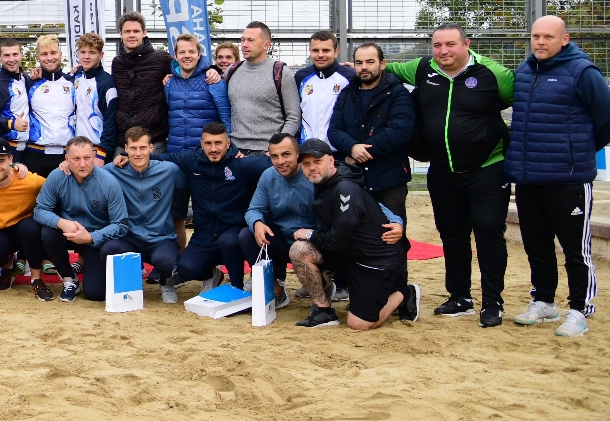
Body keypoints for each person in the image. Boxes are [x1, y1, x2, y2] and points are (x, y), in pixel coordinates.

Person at [385, 23, 514, 326]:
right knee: (452, 235)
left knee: (488, 233)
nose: (443, 51)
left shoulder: (496, 75)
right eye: (437, 45)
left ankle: (493, 302)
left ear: (466, 44)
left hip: (487, 169)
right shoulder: (422, 68)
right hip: (442, 171)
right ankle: (460, 297)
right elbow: (383, 65)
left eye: (450, 44)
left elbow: (526, 104)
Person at [505, 16, 610, 338]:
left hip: (568, 179)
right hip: (530, 178)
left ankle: (579, 309)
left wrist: (580, 150)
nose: (540, 42)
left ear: (565, 39)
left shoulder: (583, 72)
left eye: (548, 36)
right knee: (537, 245)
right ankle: (544, 301)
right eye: (535, 36)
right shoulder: (525, 71)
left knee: (575, 249)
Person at [288, 138, 419, 331]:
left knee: (359, 323)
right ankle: (323, 311)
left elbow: (338, 239)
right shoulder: (328, 182)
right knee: (299, 250)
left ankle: (405, 293)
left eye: (317, 161)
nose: (311, 167)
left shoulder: (344, 188)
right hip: (350, 254)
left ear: (331, 161)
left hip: (374, 262)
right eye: (306, 163)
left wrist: (310, 234)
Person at [157, 122, 269, 298]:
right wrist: (125, 156)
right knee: (186, 269)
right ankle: (213, 274)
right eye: (208, 143)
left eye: (218, 143)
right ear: (201, 144)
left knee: (229, 241)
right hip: (204, 234)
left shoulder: (242, 164)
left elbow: (277, 165)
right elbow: (161, 159)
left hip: (233, 232)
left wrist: (274, 156)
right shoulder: (191, 160)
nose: (213, 148)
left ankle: (237, 289)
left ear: (228, 143)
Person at [33, 136, 130, 303]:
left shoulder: (108, 182)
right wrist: (61, 223)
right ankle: (69, 279)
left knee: (96, 294)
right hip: (69, 233)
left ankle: (87, 265)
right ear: (67, 159)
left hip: (95, 239)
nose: (82, 164)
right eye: (76, 159)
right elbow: (39, 210)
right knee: (48, 232)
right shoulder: (57, 176)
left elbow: (121, 224)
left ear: (94, 156)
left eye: (87, 158)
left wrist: (92, 237)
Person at [328, 43, 415, 225]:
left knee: (391, 235)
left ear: (382, 64)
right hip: (353, 178)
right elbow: (334, 130)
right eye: (359, 63)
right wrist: (351, 147)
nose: (364, 67)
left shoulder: (398, 93)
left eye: (370, 62)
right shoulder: (346, 94)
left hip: (389, 178)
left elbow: (400, 131)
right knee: (354, 233)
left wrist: (362, 152)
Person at [102, 127, 186, 303]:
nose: (138, 153)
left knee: (166, 260)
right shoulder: (113, 170)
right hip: (129, 237)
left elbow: (189, 183)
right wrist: (65, 164)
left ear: (151, 148)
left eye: (142, 148)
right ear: (126, 148)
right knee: (109, 249)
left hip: (160, 237)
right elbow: (88, 172)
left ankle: (166, 282)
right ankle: (132, 278)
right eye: (133, 148)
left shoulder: (170, 171)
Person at [164, 31, 231, 241]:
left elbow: (226, 118)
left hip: (205, 158)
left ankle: (209, 263)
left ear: (199, 54)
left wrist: (230, 148)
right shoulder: (169, 83)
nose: (187, 56)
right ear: (175, 56)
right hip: (176, 157)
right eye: (182, 52)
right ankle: (179, 261)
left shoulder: (213, 81)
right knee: (176, 215)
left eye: (191, 51)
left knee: (206, 214)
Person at [239, 131, 312, 309]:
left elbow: (357, 198)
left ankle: (326, 284)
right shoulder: (268, 176)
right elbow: (254, 209)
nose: (280, 161)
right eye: (274, 156)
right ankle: (276, 290)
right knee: (246, 235)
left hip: (312, 241)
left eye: (286, 154)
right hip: (280, 239)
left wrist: (393, 220)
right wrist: (257, 223)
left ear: (298, 154)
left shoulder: (313, 175)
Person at [0, 136, 46, 291]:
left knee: (32, 228)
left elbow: (55, 186)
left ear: (10, 160)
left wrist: (65, 166)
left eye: (1, 161)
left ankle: (36, 279)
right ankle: (10, 268)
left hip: (23, 229)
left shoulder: (29, 180)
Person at [226, 21, 301, 155]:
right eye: (242, 40)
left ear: (266, 44)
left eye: (250, 40)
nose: (244, 44)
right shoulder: (232, 71)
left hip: (269, 151)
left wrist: (277, 148)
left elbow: (294, 117)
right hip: (235, 151)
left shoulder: (280, 72)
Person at [109, 13, 174, 153]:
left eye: (136, 31)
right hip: (123, 141)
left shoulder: (161, 59)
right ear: (120, 33)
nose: (131, 35)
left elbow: (188, 67)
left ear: (144, 33)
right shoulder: (117, 63)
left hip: (153, 141)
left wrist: (211, 70)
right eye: (127, 31)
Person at [24, 34, 76, 176]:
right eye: (44, 54)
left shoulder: (73, 82)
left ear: (60, 54)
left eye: (53, 53)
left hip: (66, 156)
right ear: (38, 57)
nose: (49, 58)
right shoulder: (29, 83)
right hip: (35, 154)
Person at [296, 29, 355, 144]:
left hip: (340, 148)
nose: (320, 55)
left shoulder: (350, 77)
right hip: (307, 148)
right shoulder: (301, 76)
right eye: (315, 50)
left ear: (336, 51)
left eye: (326, 50)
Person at [70, 32, 119, 163]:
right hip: (78, 148)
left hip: (98, 149)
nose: (86, 56)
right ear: (77, 54)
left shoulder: (106, 83)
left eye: (92, 52)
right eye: (82, 52)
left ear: (101, 55)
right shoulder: (77, 76)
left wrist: (102, 153)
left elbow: (111, 120)